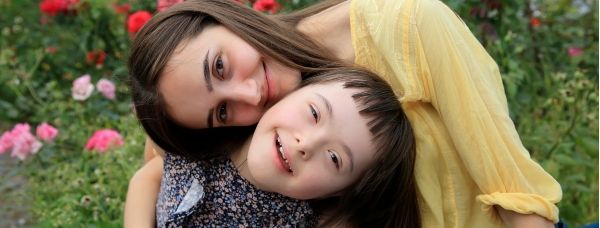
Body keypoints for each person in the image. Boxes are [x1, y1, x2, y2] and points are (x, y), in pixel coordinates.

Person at [126, 0, 562, 227]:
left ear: (225, 17)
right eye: (222, 112)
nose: (250, 93)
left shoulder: (407, 25)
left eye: (219, 65)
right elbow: (155, 171)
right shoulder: (265, 128)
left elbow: (517, 196)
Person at [126, 68, 420, 227]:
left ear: (337, 191)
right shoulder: (213, 135)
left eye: (334, 158)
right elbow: (148, 177)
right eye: (314, 113)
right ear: (293, 93)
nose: (306, 144)